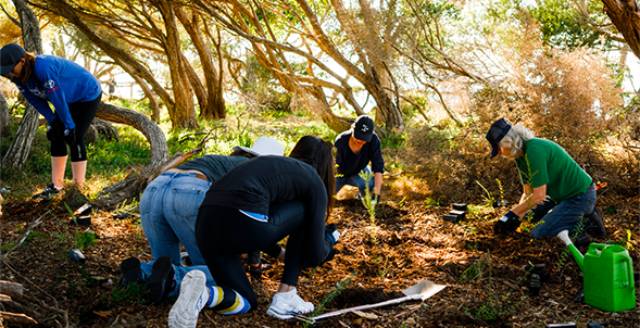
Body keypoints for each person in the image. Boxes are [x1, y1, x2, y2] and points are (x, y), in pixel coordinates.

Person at [168, 136, 339, 327]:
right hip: (242, 218)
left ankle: (203, 295)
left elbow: (258, 227)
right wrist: (330, 239)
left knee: (247, 301)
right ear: (326, 165)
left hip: (206, 224)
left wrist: (278, 252)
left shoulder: (275, 167)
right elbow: (314, 256)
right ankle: (286, 295)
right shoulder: (313, 181)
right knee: (305, 211)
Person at [120, 137, 290, 303]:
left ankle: (141, 272)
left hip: (154, 190)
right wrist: (256, 265)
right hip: (187, 191)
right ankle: (175, 277)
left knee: (163, 265)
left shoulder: (221, 161)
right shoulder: (255, 171)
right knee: (219, 272)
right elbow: (253, 223)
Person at [0, 43, 102, 198]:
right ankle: (56, 186)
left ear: (22, 60)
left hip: (86, 94)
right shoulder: (18, 77)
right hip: (66, 98)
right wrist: (52, 120)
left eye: (10, 69)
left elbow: (56, 97)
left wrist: (69, 125)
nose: (8, 74)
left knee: (74, 136)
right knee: (56, 134)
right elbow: (34, 100)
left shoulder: (43, 67)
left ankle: (78, 188)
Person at [486, 118, 605, 239]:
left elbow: (539, 196)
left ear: (508, 142)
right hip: (558, 197)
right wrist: (516, 218)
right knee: (529, 217)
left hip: (580, 196)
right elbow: (528, 193)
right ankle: (568, 216)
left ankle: (587, 223)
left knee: (538, 234)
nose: (500, 154)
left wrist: (512, 213)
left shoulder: (534, 150)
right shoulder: (520, 157)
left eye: (499, 149)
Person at [334, 115, 384, 203]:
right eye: (358, 137)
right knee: (331, 196)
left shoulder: (374, 140)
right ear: (352, 129)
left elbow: (378, 168)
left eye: (364, 140)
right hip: (340, 174)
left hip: (360, 171)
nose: (360, 142)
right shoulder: (341, 141)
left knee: (370, 183)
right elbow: (334, 168)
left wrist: (377, 195)